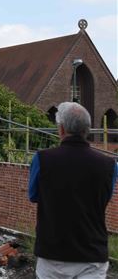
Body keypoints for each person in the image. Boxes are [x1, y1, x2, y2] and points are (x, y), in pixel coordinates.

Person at [28, 102, 118, 278]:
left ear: (61, 129)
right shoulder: (109, 165)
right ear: (87, 130)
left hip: (53, 254)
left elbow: (33, 195)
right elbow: (105, 198)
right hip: (92, 256)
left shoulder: (42, 159)